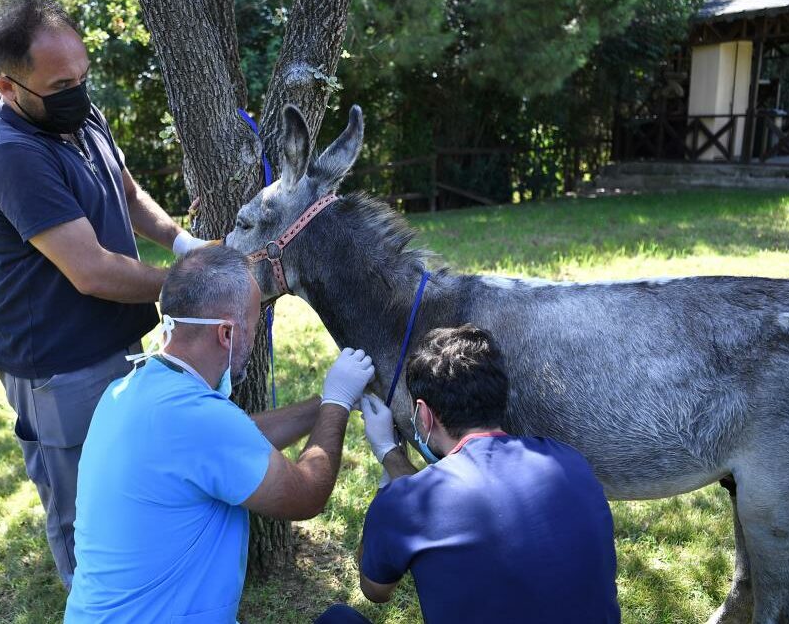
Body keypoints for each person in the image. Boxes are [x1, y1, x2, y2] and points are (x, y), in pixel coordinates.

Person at [0, 0, 206, 588]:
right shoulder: (13, 154)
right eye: (60, 83)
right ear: (8, 86)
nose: (77, 90)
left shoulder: (70, 110)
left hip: (116, 341)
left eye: (83, 76)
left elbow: (122, 189)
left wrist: (183, 245)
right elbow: (93, 272)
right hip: (59, 367)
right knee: (83, 512)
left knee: (129, 480)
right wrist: (193, 284)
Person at [66, 245, 375, 622]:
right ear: (227, 333)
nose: (256, 336)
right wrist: (337, 405)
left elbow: (238, 441)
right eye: (255, 324)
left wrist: (321, 403)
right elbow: (306, 495)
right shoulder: (199, 422)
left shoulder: (128, 392)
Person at [318, 325, 620, 624]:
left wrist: (386, 468)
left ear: (423, 413)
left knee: (336, 620)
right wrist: (389, 453)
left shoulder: (404, 503)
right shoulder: (571, 462)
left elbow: (375, 590)